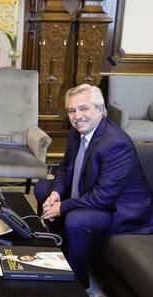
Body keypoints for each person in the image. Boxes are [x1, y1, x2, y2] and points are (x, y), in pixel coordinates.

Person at [34, 84, 153, 289]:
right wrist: (55, 194)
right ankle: (61, 248)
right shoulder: (75, 132)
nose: (77, 116)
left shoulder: (116, 144)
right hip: (89, 191)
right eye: (72, 110)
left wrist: (62, 207)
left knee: (76, 219)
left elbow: (103, 197)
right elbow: (65, 167)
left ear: (100, 110)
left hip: (121, 209)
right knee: (42, 189)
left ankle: (78, 280)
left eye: (84, 108)